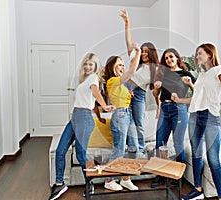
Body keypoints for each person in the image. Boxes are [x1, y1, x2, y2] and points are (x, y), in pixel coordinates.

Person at [171, 43, 221, 200]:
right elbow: (196, 99)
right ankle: (198, 190)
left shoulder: (220, 71)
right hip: (195, 116)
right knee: (196, 154)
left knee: (213, 159)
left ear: (210, 55)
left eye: (200, 54)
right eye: (196, 54)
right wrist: (180, 99)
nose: (197, 57)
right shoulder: (202, 76)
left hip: (211, 117)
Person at [48, 53, 115, 200]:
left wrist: (105, 106)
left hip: (84, 118)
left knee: (80, 155)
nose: (87, 66)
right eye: (86, 64)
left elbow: (96, 93)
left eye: (91, 64)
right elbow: (92, 102)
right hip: (75, 117)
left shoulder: (93, 78)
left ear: (96, 67)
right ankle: (60, 183)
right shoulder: (84, 81)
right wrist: (99, 114)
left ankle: (89, 183)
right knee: (60, 150)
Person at [151, 48, 196, 188]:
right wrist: (156, 88)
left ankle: (178, 176)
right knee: (160, 143)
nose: (169, 60)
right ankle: (160, 174)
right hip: (165, 109)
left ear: (177, 57)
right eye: (166, 58)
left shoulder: (186, 74)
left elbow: (199, 94)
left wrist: (190, 84)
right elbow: (155, 94)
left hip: (179, 110)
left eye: (171, 57)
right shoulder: (162, 74)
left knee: (178, 144)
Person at [102, 43, 141, 191]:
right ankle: (109, 180)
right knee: (119, 150)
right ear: (111, 67)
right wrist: (137, 52)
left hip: (127, 114)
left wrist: (128, 95)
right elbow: (131, 71)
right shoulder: (112, 81)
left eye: (123, 65)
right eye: (119, 65)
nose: (122, 67)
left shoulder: (122, 84)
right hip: (120, 116)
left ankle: (125, 178)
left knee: (134, 148)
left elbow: (124, 94)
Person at [119, 9, 159, 154]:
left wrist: (159, 106)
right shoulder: (134, 58)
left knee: (139, 123)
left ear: (151, 53)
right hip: (126, 89)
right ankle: (129, 147)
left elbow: (157, 89)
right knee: (125, 121)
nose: (143, 53)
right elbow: (128, 41)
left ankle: (140, 149)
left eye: (146, 51)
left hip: (140, 94)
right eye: (142, 50)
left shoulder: (155, 69)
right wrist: (127, 23)